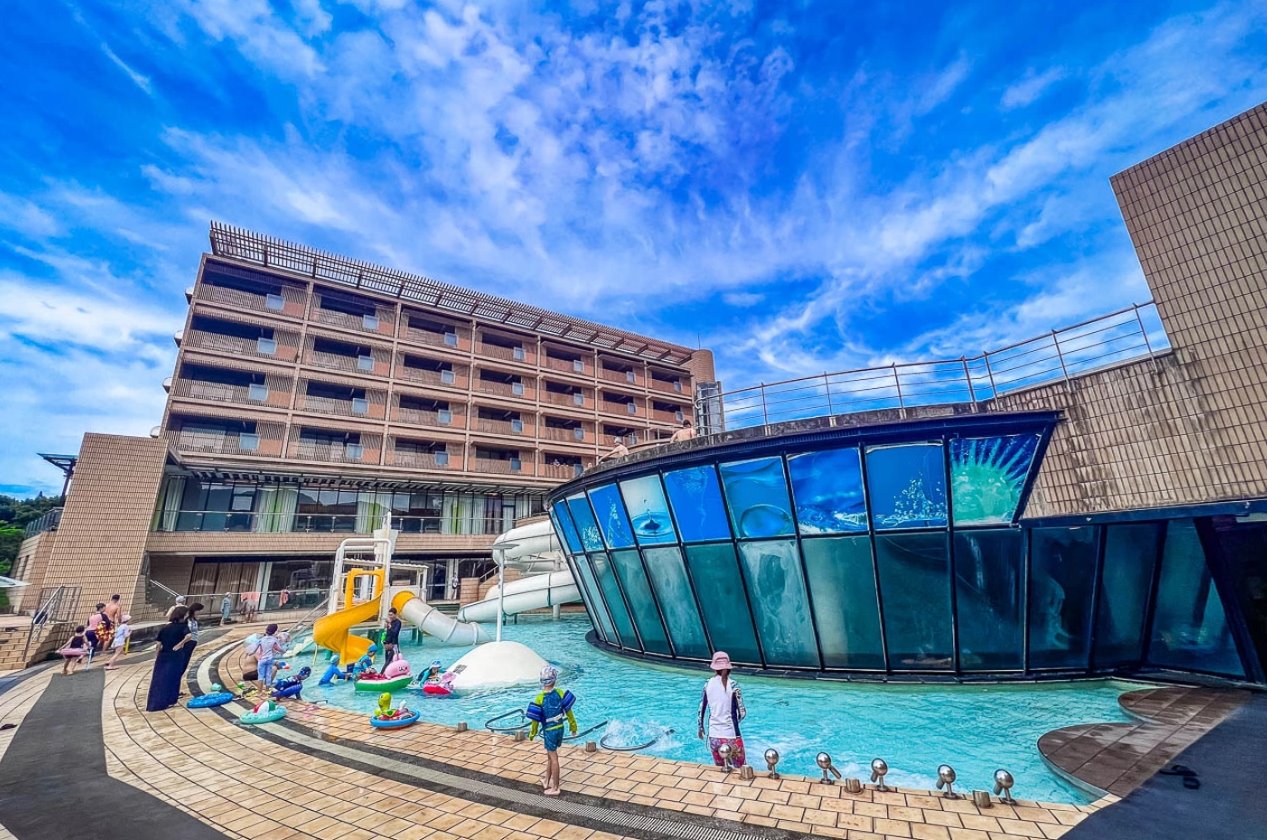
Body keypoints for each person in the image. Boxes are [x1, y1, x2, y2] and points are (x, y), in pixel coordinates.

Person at [525, 665, 577, 796]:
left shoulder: (539, 698)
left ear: (541, 681)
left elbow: (535, 720)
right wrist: (573, 726)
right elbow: (569, 712)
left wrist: (532, 733)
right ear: (555, 680)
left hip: (550, 731)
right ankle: (546, 780)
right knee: (550, 755)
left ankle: (555, 787)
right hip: (560, 728)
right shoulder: (560, 693)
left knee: (554, 758)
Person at [698, 651, 746, 769]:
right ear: (729, 668)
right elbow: (742, 713)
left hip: (713, 736)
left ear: (714, 668)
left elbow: (701, 710)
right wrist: (735, 723)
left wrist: (701, 728)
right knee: (740, 769)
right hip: (731, 735)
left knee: (721, 770)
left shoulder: (707, 684)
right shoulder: (734, 685)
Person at [146, 606, 192, 711]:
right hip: (176, 655)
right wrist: (180, 644)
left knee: (159, 678)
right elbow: (189, 636)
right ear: (183, 615)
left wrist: (157, 656)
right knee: (173, 677)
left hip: (163, 655)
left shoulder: (166, 627)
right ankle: (170, 700)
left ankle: (155, 703)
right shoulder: (183, 627)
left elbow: (158, 644)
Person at [177, 602, 204, 681]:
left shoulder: (193, 620)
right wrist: (182, 643)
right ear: (195, 610)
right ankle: (175, 680)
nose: (200, 613)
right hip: (187, 642)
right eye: (199, 611)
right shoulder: (187, 620)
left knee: (185, 662)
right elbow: (182, 631)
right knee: (183, 662)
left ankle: (177, 680)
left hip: (192, 642)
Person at [253, 624, 284, 689]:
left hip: (262, 661)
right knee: (271, 672)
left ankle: (261, 690)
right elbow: (278, 648)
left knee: (261, 676)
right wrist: (283, 651)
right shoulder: (273, 640)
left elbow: (255, 650)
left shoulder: (262, 640)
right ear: (274, 632)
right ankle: (267, 688)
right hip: (264, 662)